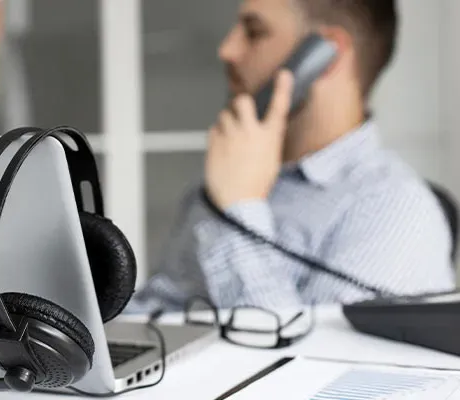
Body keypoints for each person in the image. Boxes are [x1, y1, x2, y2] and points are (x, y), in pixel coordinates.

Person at [125, 0, 456, 313]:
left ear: (325, 55)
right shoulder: (227, 177)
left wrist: (239, 209)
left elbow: (310, 368)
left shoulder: (396, 211)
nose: (227, 50)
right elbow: (160, 309)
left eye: (254, 32)